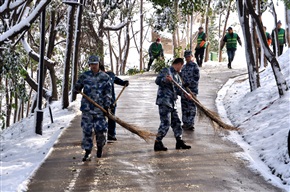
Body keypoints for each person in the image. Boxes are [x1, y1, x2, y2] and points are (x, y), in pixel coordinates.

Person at [74, 55, 112, 160]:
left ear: (99, 63)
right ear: (89, 65)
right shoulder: (84, 76)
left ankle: (100, 147)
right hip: (87, 108)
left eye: (96, 64)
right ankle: (87, 151)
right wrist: (76, 88)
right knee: (87, 131)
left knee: (100, 131)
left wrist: (107, 105)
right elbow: (77, 87)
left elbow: (108, 93)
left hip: (100, 109)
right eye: (92, 64)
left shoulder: (105, 77)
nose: (94, 66)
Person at [154, 58, 191, 151]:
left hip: (172, 102)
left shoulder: (177, 76)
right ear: (179, 64)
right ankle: (158, 142)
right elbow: (157, 81)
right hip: (164, 101)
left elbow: (178, 90)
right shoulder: (166, 70)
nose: (181, 68)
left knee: (177, 122)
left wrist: (186, 95)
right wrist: (165, 80)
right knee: (166, 123)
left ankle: (179, 141)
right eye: (181, 66)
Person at [99, 64, 129, 141]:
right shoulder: (94, 78)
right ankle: (100, 134)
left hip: (111, 101)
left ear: (103, 70)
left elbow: (116, 79)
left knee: (111, 118)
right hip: (99, 102)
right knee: (100, 119)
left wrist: (123, 83)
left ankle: (111, 134)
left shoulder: (110, 75)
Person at [180, 50, 200, 131]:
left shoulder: (195, 67)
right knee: (184, 107)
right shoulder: (184, 67)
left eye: (188, 56)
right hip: (184, 90)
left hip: (192, 90)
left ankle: (190, 123)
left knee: (191, 107)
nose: (187, 58)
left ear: (191, 56)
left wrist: (189, 84)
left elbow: (196, 78)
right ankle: (185, 123)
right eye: (186, 57)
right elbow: (181, 77)